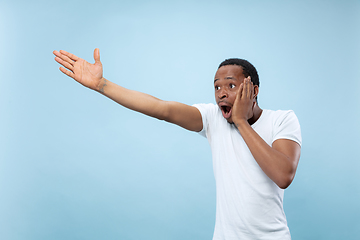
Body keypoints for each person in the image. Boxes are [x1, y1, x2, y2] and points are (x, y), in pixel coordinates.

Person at [53, 48, 301, 240]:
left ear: (253, 90)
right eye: (216, 87)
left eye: (231, 85)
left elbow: (283, 175)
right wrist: (101, 85)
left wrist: (241, 122)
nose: (221, 93)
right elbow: (163, 108)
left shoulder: (282, 120)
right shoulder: (213, 118)